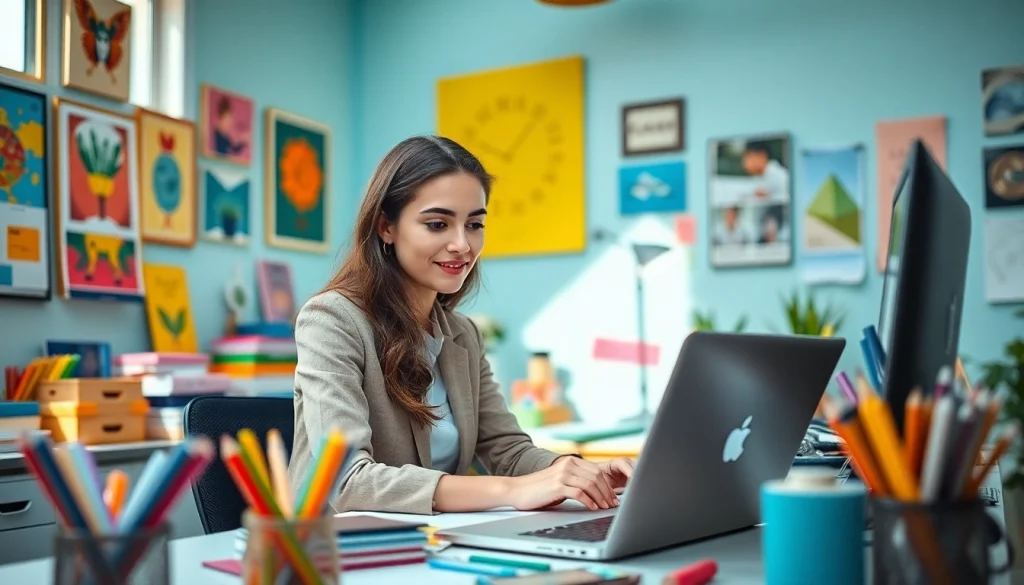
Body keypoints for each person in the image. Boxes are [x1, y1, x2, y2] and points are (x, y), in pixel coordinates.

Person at [288, 135, 634, 516]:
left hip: (433, 545)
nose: (462, 245)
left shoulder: (462, 334)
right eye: (437, 224)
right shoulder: (332, 321)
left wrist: (579, 474)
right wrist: (510, 490)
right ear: (386, 227)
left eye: (474, 224)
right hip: (329, 554)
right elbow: (347, 480)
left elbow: (508, 450)